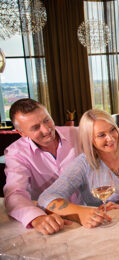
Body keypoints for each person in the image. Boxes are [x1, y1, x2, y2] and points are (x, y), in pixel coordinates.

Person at [38, 109, 119, 228]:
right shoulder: (83, 164)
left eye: (112, 130)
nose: (111, 138)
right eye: (101, 135)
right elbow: (46, 198)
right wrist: (80, 213)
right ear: (89, 139)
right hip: (105, 226)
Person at [3, 98, 80, 235]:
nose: (46, 129)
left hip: (88, 210)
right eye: (35, 127)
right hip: (53, 220)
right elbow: (15, 193)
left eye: (46, 120)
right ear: (22, 133)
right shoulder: (16, 153)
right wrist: (37, 218)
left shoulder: (77, 134)